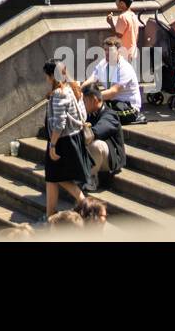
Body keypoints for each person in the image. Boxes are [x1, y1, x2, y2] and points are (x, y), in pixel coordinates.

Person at [42, 59, 95, 218]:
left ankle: (86, 206)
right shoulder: (73, 88)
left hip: (62, 141)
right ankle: (50, 215)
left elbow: (59, 123)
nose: (46, 78)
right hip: (72, 138)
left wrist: (52, 145)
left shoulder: (59, 93)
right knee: (52, 177)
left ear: (52, 76)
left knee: (58, 177)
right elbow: (83, 114)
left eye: (47, 75)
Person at [89, 36, 144, 121]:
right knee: (91, 111)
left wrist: (91, 98)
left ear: (119, 51)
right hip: (113, 103)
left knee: (98, 114)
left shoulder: (125, 67)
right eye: (105, 50)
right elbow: (91, 80)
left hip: (129, 108)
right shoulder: (102, 64)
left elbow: (113, 92)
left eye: (110, 50)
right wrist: (80, 92)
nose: (107, 53)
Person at [80, 82, 126, 182]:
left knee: (96, 145)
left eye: (84, 101)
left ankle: (90, 180)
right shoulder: (89, 113)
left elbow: (95, 132)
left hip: (112, 158)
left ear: (94, 100)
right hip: (95, 156)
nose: (82, 105)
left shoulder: (110, 115)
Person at [107, 0, 140, 66]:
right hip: (133, 52)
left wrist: (110, 23)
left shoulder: (122, 17)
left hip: (124, 54)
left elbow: (118, 36)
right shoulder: (133, 15)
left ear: (122, 3)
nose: (115, 2)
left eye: (116, 0)